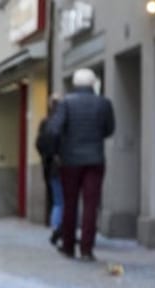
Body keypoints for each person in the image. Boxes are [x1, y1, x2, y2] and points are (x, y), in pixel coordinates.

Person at [46, 68, 116, 262]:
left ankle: (68, 246)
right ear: (94, 83)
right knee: (91, 205)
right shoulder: (104, 103)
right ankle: (86, 248)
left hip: (70, 161)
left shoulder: (66, 103)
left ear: (75, 84)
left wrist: (58, 151)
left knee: (70, 203)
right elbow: (110, 129)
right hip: (95, 159)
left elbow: (53, 130)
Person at [36, 95, 64, 246]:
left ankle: (55, 229)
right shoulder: (64, 122)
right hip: (66, 165)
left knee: (58, 201)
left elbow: (39, 144)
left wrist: (47, 157)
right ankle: (62, 230)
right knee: (65, 201)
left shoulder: (45, 123)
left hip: (51, 166)